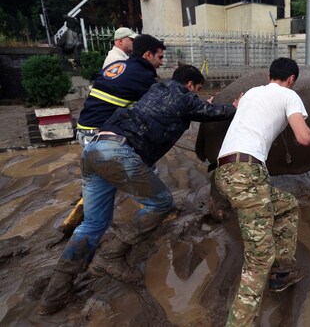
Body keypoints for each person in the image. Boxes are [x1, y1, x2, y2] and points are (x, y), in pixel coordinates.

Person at [37, 65, 239, 315]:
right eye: (196, 90)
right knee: (161, 203)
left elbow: (195, 109)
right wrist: (235, 106)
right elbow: (216, 111)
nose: (195, 95)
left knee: (92, 225)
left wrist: (200, 105)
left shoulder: (157, 89)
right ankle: (111, 255)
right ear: (190, 85)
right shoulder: (183, 96)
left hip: (95, 150)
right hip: (118, 154)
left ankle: (53, 295)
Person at [214, 57, 310, 326]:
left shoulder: (252, 92)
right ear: (292, 80)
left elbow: (240, 110)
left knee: (287, 204)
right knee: (259, 259)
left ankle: (283, 272)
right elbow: (302, 136)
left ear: (269, 75)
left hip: (224, 172)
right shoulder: (289, 96)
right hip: (247, 174)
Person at [58, 35, 167, 237]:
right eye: (160, 57)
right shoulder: (143, 76)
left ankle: (79, 216)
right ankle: (155, 211)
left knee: (103, 176)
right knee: (147, 170)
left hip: (84, 131)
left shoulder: (118, 66)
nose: (161, 62)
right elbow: (160, 106)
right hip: (101, 135)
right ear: (148, 54)